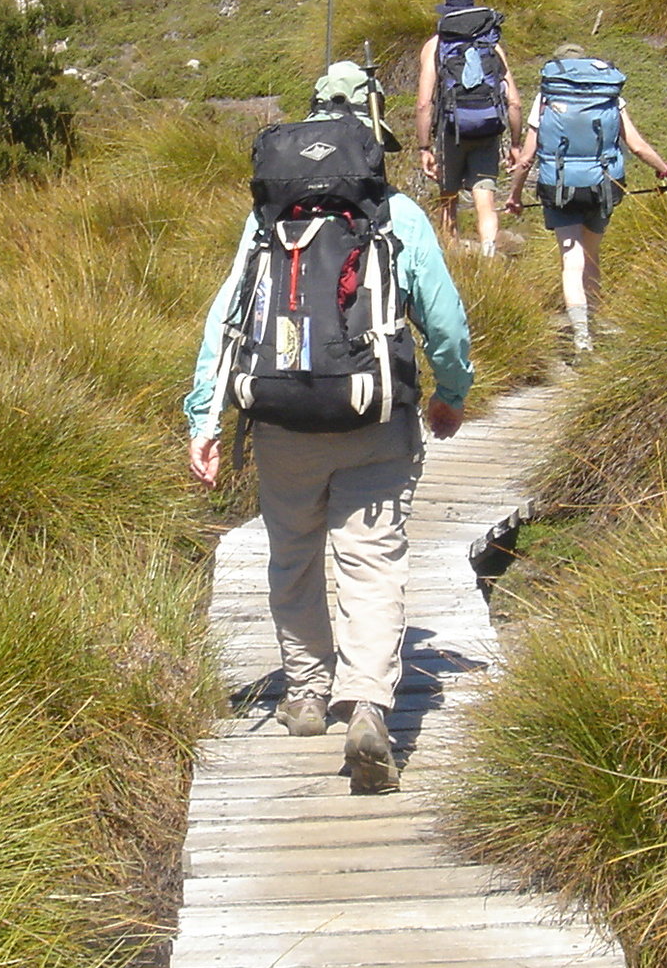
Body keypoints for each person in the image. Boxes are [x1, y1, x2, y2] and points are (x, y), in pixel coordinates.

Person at [185, 63, 472, 794]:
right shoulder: (395, 215)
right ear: (372, 129)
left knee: (293, 555)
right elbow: (443, 321)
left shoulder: (266, 223)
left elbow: (227, 321)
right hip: (374, 417)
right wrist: (451, 392)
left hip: (280, 423)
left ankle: (308, 692)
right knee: (370, 562)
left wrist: (204, 417)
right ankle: (370, 702)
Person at [504, 44, 667, 353]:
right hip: (603, 186)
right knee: (591, 257)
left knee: (571, 261)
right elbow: (638, 146)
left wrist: (514, 195)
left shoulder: (547, 97)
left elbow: (525, 159)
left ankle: (580, 338)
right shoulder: (609, 95)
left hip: (559, 189)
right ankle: (595, 323)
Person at [411, 0, 524, 258]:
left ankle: (450, 256)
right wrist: (516, 144)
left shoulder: (436, 45)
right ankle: (489, 254)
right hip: (488, 129)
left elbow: (424, 103)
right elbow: (515, 102)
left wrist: (424, 147)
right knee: (485, 194)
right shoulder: (492, 45)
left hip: (451, 131)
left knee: (448, 196)